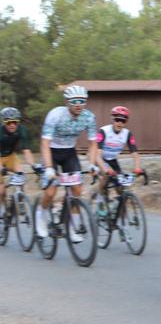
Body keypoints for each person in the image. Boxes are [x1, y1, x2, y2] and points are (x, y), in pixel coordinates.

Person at [37, 85, 99, 241]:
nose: (79, 105)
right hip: (51, 151)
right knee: (51, 191)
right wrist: (50, 168)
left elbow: (93, 144)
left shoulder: (89, 117)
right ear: (67, 102)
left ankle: (73, 227)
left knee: (76, 191)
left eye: (82, 101)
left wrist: (92, 164)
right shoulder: (55, 115)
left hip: (69, 152)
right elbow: (44, 143)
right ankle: (41, 213)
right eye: (74, 101)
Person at [94, 106, 143, 212]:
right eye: (117, 120)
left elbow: (135, 153)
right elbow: (97, 155)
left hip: (112, 159)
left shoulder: (127, 134)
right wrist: (105, 169)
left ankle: (116, 209)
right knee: (105, 178)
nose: (120, 123)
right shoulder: (103, 131)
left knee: (121, 186)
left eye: (123, 120)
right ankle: (100, 200)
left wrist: (138, 167)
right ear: (113, 119)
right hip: (100, 159)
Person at [0, 107, 42, 216]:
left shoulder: (21, 130)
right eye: (9, 123)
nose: (12, 125)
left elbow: (26, 151)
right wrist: (1, 168)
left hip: (10, 156)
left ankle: (20, 198)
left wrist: (33, 165)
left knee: (20, 173)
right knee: (1, 191)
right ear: (4, 122)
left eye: (15, 122)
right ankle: (4, 209)